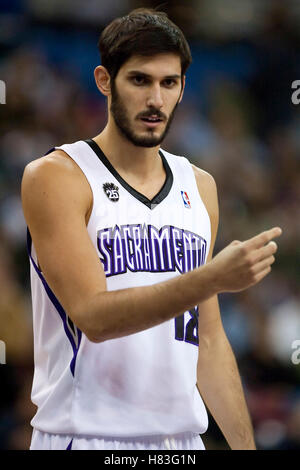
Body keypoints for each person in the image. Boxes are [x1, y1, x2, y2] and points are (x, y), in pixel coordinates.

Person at [21, 8, 282, 451]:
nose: (156, 100)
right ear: (105, 81)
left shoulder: (200, 186)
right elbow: (94, 317)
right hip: (86, 437)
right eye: (140, 80)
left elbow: (210, 340)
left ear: (182, 88)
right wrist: (212, 278)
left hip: (180, 442)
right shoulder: (57, 176)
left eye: (169, 83)